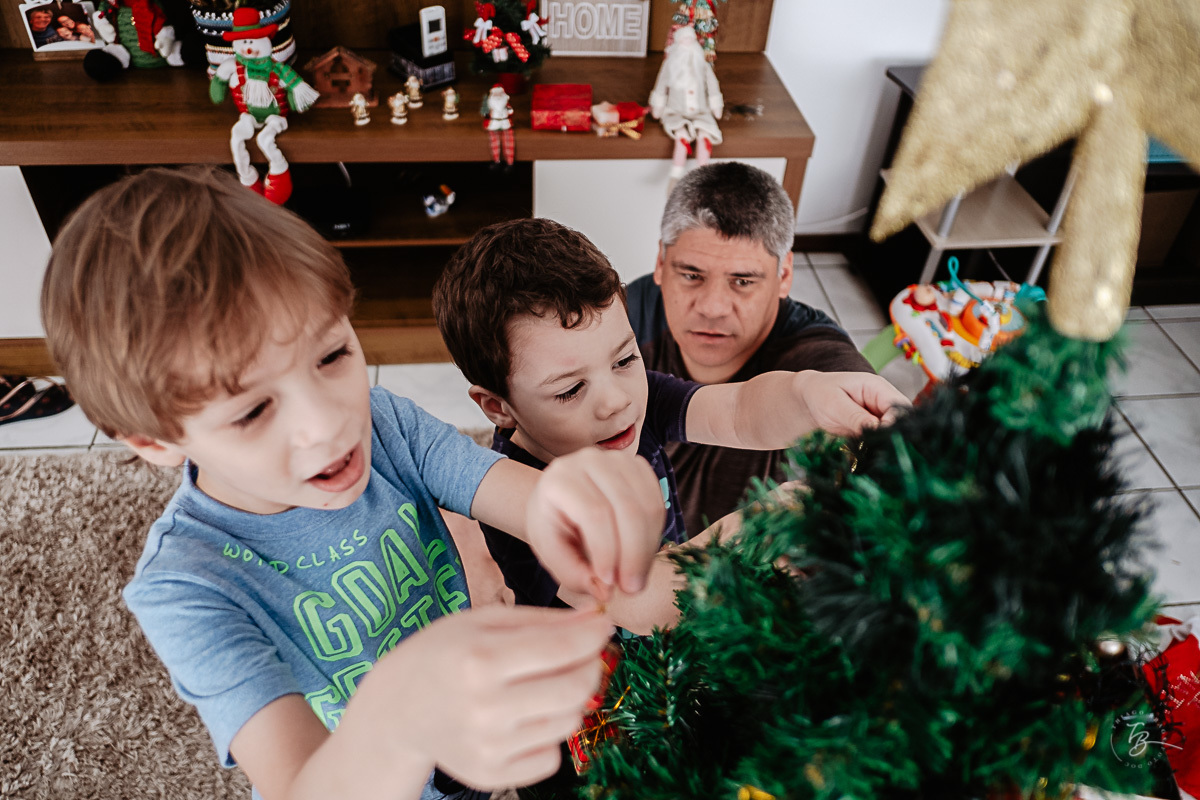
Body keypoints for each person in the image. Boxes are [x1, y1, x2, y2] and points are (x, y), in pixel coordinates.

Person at [39, 166, 670, 800]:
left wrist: (581, 502)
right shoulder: (185, 587)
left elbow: (525, 498)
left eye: (332, 356)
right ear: (154, 440)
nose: (329, 422)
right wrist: (401, 711)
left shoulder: (385, 422)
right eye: (254, 411)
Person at [432, 218, 908, 632]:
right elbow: (644, 606)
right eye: (571, 390)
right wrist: (757, 528)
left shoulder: (640, 401)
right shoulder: (515, 497)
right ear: (497, 407)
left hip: (684, 602)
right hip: (599, 678)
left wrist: (808, 394)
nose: (617, 401)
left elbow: (740, 411)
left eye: (624, 359)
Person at [627, 161, 892, 535]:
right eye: (691, 275)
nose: (712, 308)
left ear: (784, 275)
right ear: (660, 263)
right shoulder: (623, 316)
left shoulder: (809, 349)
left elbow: (844, 380)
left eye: (742, 281)